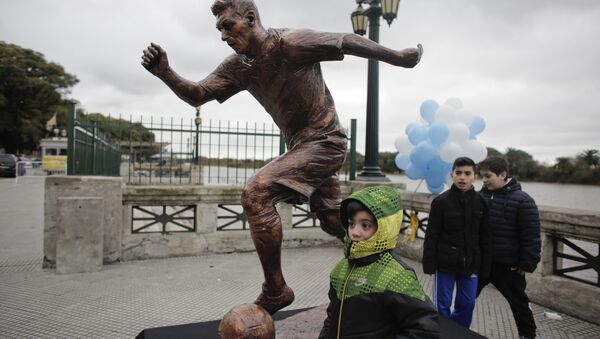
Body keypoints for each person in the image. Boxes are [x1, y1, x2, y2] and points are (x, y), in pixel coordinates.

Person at [141, 0, 423, 315]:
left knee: (255, 192)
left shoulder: (290, 44)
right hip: (301, 148)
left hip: (326, 142)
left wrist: (398, 57)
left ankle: (275, 290)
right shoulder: (238, 66)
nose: (223, 36)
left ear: (250, 19)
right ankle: (383, 259)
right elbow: (198, 94)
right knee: (332, 219)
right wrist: (165, 73)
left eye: (227, 26)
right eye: (219, 29)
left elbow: (347, 40)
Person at [319, 186, 440, 339]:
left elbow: (425, 328)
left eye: (365, 225)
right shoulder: (341, 268)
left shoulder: (396, 276)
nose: (355, 232)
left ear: (385, 227)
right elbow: (332, 315)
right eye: (351, 224)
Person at [422, 157, 491, 329]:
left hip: (471, 263)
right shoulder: (441, 202)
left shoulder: (481, 202)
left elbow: (486, 237)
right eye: (458, 173)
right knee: (442, 305)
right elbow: (431, 234)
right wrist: (429, 262)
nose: (462, 177)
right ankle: (443, 333)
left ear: (474, 176)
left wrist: (485, 267)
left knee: (467, 304)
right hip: (445, 263)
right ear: (452, 175)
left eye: (467, 173)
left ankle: (458, 332)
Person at [477, 156, 541, 339]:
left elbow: (531, 236)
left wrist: (527, 264)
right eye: (483, 176)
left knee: (519, 304)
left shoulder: (523, 200)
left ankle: (527, 335)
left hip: (508, 266)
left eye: (488, 176)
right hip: (482, 263)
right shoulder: (480, 196)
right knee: (465, 300)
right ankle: (453, 327)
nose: (485, 180)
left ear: (503, 174)